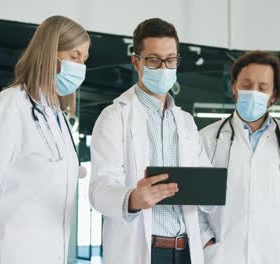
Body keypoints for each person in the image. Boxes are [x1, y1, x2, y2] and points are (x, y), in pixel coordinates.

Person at [0, 16, 89, 264]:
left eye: (84, 58)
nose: (81, 66)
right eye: (75, 57)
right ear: (51, 53)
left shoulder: (57, 117)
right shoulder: (8, 107)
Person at [89, 18, 214, 264]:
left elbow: (205, 180)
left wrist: (211, 191)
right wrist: (133, 199)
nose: (164, 67)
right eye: (154, 60)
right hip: (144, 250)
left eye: (171, 59)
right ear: (137, 62)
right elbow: (98, 189)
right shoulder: (115, 117)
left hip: (186, 250)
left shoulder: (186, 122)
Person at [199, 51, 280, 264]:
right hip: (222, 256)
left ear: (273, 95)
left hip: (275, 256)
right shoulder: (208, 138)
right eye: (246, 84)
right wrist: (206, 242)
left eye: (262, 88)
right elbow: (195, 204)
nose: (253, 92)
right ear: (234, 86)